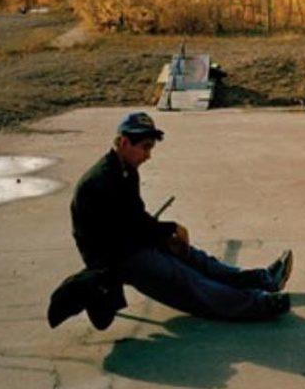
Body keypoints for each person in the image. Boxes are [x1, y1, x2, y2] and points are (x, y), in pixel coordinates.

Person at [68, 112, 293, 322]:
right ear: (125, 143)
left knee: (195, 258)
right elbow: (128, 227)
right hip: (114, 258)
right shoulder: (101, 181)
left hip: (131, 243)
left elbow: (136, 218)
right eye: (145, 148)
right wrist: (170, 229)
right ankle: (256, 304)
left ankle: (264, 280)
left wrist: (169, 235)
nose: (148, 156)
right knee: (184, 278)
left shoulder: (125, 170)